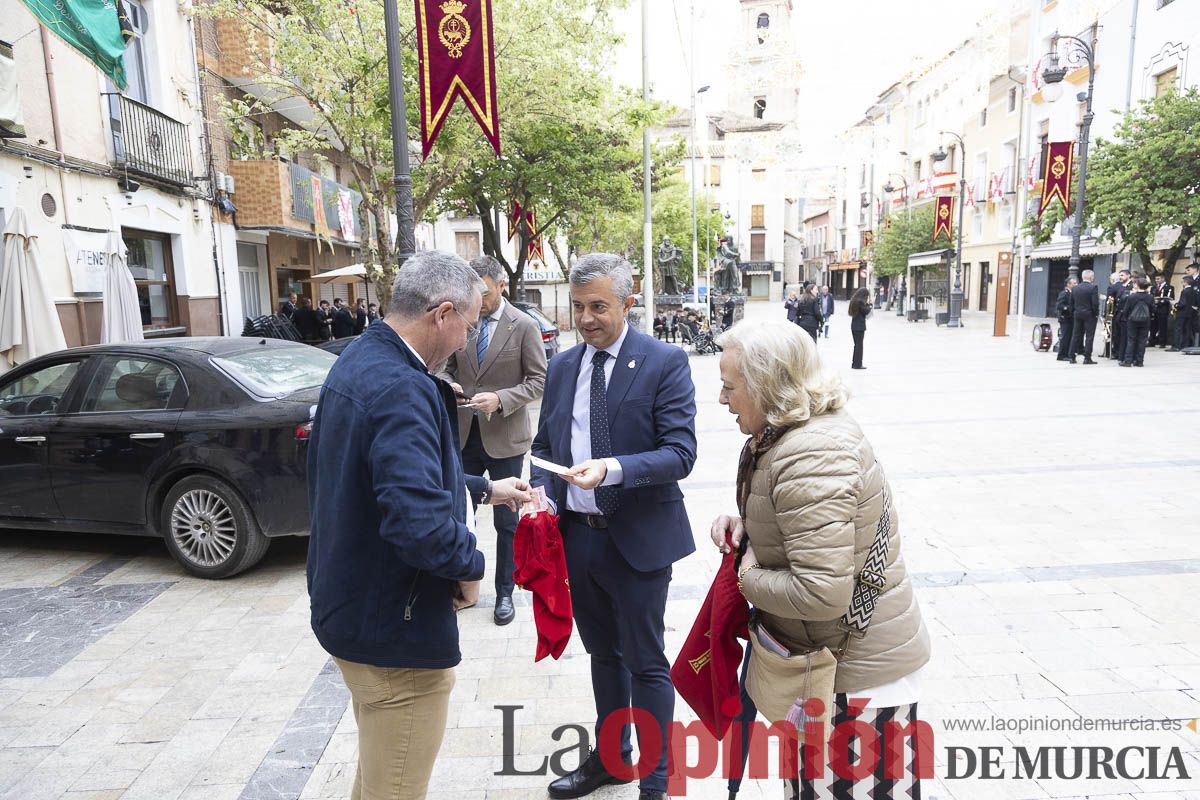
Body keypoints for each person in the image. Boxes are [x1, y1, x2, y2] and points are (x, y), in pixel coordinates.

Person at [307, 250, 533, 800]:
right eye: (469, 326)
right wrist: (471, 566)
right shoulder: (402, 387)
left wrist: (482, 488)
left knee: (379, 780)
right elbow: (418, 524)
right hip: (394, 632)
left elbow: (385, 478)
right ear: (443, 313)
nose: (465, 343)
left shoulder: (361, 359)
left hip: (354, 611)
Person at [710, 320, 930, 799]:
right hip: (831, 671)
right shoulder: (795, 433)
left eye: (729, 387)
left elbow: (820, 592)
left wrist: (748, 576)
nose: (722, 399)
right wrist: (750, 524)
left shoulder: (810, 453)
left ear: (767, 384)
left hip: (856, 681)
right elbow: (810, 525)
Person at [531, 253, 697, 800]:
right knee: (604, 656)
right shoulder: (561, 368)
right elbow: (545, 447)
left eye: (598, 306)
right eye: (578, 307)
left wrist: (614, 470)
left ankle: (656, 779)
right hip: (581, 541)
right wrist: (542, 494)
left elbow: (680, 453)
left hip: (639, 542)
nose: (585, 319)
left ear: (629, 302)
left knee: (646, 662)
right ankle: (611, 758)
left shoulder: (664, 361)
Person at [437, 256, 547, 626]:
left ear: (501, 285)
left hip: (505, 439)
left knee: (507, 522)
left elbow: (538, 380)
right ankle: (459, 585)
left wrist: (501, 399)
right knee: (456, 510)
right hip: (465, 433)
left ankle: (504, 593)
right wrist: (447, 382)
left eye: (483, 290)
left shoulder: (524, 325)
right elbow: (447, 364)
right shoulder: (462, 321)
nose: (477, 298)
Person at [1119, 275, 1154, 368]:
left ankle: (1128, 361)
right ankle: (1139, 361)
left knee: (1131, 340)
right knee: (1142, 341)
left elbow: (1126, 310)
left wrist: (1126, 318)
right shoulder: (1150, 297)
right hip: (1145, 321)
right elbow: (1153, 309)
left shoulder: (1132, 296)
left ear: (1137, 285)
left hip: (1132, 321)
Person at [1068, 269, 1100, 364]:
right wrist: (1096, 313)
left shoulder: (1075, 288)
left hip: (1078, 314)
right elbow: (1095, 303)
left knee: (1076, 335)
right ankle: (1087, 357)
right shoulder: (1093, 287)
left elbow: (1071, 303)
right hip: (1089, 314)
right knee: (1089, 336)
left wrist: (1073, 312)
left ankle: (1072, 356)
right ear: (1091, 277)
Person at [1107, 270, 1132, 360]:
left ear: (1128, 275)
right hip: (1118, 314)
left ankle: (1122, 354)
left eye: (1122, 275)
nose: (1120, 277)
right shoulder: (1121, 286)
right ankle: (1118, 353)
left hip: (1126, 314)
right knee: (1117, 335)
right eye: (1120, 275)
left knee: (1124, 336)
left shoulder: (1131, 286)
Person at [1171, 275, 1199, 351]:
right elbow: (1197, 302)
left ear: (1185, 282)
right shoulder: (1194, 291)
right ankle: (1185, 345)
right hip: (1190, 313)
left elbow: (1182, 303)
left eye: (1182, 282)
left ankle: (1176, 346)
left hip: (1182, 313)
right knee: (1187, 329)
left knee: (1178, 329)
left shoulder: (1184, 291)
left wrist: (1175, 304)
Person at [848, 286, 871, 369]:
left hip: (854, 325)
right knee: (859, 345)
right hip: (859, 326)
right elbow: (865, 311)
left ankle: (855, 363)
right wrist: (870, 304)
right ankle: (858, 364)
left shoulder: (853, 300)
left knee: (856, 345)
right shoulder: (860, 302)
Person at [1055, 278, 1077, 362]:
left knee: (1070, 337)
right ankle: (1061, 355)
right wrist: (1069, 308)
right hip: (1065, 318)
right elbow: (1059, 306)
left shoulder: (1073, 293)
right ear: (1068, 284)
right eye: (1074, 283)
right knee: (1065, 337)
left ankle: (1068, 353)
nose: (1076, 285)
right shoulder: (1064, 293)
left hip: (1071, 318)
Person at [1150, 275, 1175, 348]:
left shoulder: (1170, 287)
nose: (1156, 280)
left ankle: (1162, 342)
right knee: (1153, 326)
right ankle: (1152, 341)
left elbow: (1171, 298)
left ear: (1163, 279)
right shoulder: (1153, 287)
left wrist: (1160, 302)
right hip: (1154, 309)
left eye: (1158, 279)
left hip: (1163, 309)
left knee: (1162, 326)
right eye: (1156, 279)